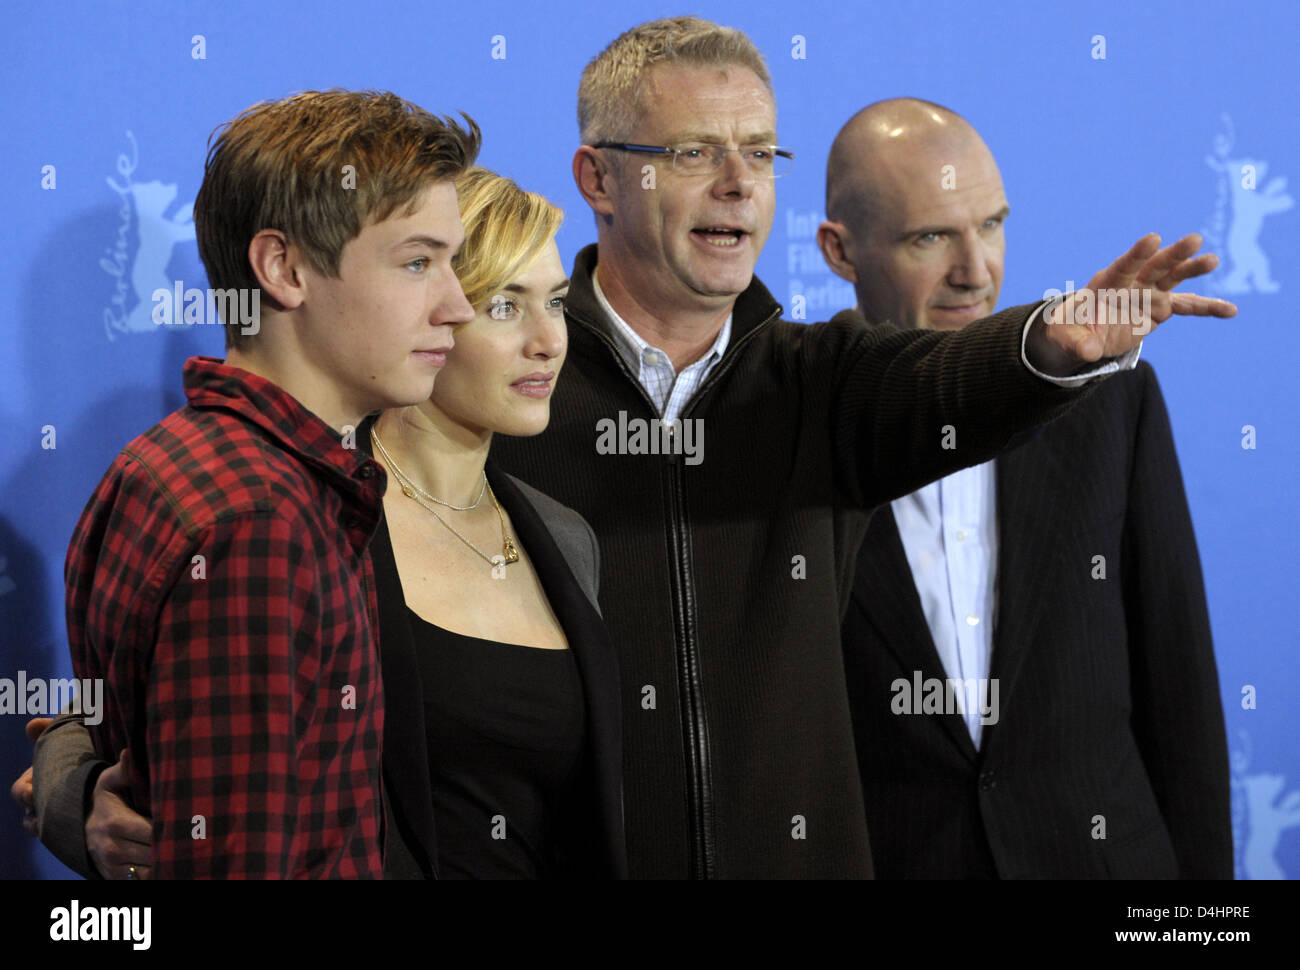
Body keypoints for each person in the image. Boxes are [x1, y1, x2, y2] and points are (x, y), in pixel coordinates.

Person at [486, 16, 1236, 878]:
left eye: (762, 155)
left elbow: (947, 382)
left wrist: (1051, 343)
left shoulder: (821, 380)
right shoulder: (507, 395)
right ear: (599, 177)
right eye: (695, 153)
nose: (738, 184)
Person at [23, 169, 627, 880]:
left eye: (555, 303)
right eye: (503, 305)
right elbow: (113, 710)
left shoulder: (560, 534)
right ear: (431, 309)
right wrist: (80, 800)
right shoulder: (311, 508)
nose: (548, 340)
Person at [49, 89, 482, 878]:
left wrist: (62, 791)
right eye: (418, 262)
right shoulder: (258, 521)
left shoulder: (171, 464)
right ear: (283, 269)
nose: (457, 305)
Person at [814, 98, 1231, 879]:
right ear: (841, 251)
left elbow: (1182, 697)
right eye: (930, 237)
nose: (976, 271)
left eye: (992, 224)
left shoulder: (1108, 400)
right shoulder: (797, 426)